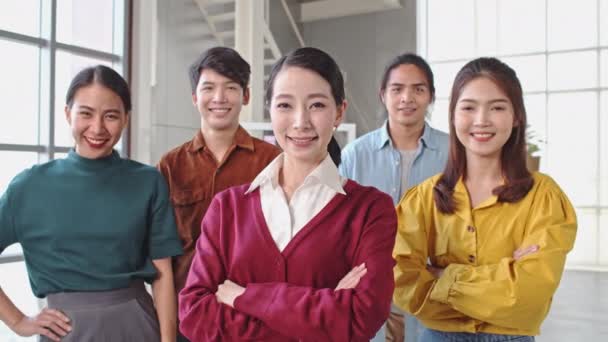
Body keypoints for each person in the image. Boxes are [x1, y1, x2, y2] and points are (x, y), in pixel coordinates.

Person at [178, 47, 397, 341]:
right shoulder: (227, 208)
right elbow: (194, 315)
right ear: (269, 109)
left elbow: (360, 318)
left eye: (317, 105)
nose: (300, 122)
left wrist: (245, 297)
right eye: (284, 106)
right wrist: (323, 311)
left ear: (339, 111)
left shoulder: (371, 210)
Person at [393, 57, 577, 342]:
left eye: (497, 107)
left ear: (516, 116)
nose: (481, 120)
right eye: (468, 107)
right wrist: (501, 278)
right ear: (453, 115)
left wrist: (443, 277)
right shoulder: (424, 198)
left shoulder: (544, 197)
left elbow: (529, 295)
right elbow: (401, 279)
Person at [0, 65, 183, 341]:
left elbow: (163, 276)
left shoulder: (148, 182)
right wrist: (17, 321)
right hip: (65, 331)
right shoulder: (28, 187)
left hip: (138, 327)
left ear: (125, 119)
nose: (97, 128)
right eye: (85, 113)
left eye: (111, 116)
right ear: (67, 114)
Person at [339, 53, 448, 341]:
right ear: (383, 95)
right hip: (369, 284)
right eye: (397, 89)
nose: (407, 98)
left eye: (418, 89)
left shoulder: (454, 153)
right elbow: (341, 222)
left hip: (431, 285)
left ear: (431, 96)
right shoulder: (355, 154)